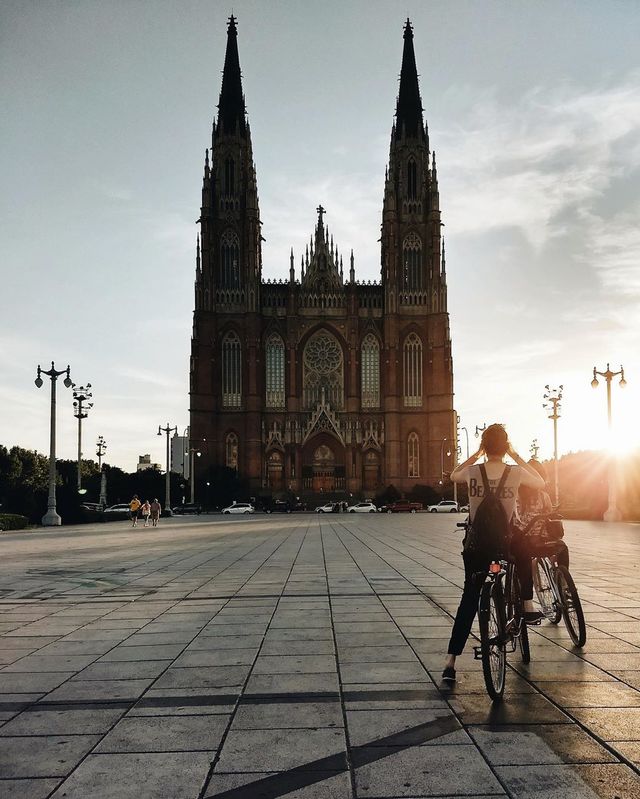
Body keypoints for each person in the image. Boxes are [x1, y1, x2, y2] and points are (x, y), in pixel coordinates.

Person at [442, 423, 546, 683]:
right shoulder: (515, 472)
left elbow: (453, 474)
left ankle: (450, 662)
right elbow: (541, 482)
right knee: (524, 550)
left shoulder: (473, 472)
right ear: (505, 446)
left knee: (469, 599)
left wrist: (477, 455)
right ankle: (526, 602)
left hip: (477, 547)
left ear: (485, 446)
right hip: (505, 543)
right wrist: (516, 455)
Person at [515, 460, 569, 569]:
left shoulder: (515, 495)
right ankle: (562, 579)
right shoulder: (544, 496)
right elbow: (549, 515)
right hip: (541, 541)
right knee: (563, 547)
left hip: (521, 541)